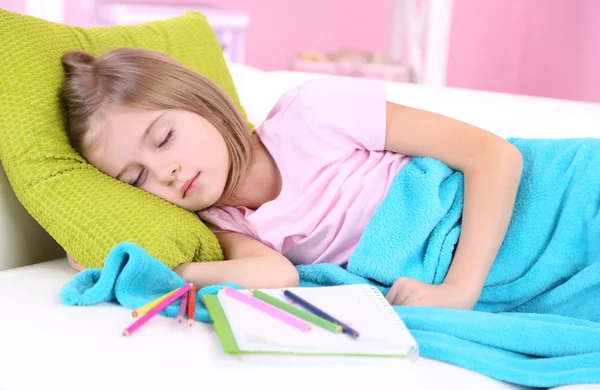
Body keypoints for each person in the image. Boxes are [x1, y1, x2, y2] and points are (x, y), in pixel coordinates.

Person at [61, 48, 523, 310]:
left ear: (200, 102)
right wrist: (143, 269)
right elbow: (274, 273)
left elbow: (493, 155)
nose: (165, 172)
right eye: (137, 177)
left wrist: (458, 291)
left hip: (525, 201)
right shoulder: (226, 223)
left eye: (164, 138)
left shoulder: (313, 112)